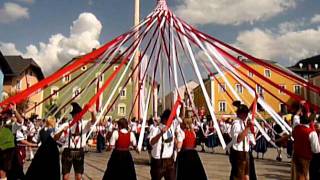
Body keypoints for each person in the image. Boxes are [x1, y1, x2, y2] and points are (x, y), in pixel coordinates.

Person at [54, 102, 96, 180]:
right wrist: (62, 131)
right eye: (78, 115)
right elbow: (55, 138)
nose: (80, 116)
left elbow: (93, 121)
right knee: (65, 177)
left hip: (79, 151)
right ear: (73, 115)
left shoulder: (84, 124)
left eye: (81, 114)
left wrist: (93, 112)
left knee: (79, 176)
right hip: (67, 151)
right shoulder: (66, 125)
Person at [149, 109, 181, 180]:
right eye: (170, 119)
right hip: (158, 161)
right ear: (165, 119)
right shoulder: (156, 128)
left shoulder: (171, 127)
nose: (172, 121)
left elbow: (180, 118)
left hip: (170, 161)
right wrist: (160, 134)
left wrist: (182, 104)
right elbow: (151, 142)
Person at [292, 112, 320, 180]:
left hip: (296, 156)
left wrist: (300, 110)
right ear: (310, 121)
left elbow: (295, 118)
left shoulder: (296, 128)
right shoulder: (312, 133)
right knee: (305, 176)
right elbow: (316, 150)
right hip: (305, 159)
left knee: (296, 176)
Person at [228, 101, 251, 180]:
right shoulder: (236, 123)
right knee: (239, 176)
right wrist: (247, 128)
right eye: (245, 113)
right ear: (241, 113)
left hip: (244, 152)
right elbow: (238, 139)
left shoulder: (242, 122)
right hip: (238, 153)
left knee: (246, 175)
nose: (247, 115)